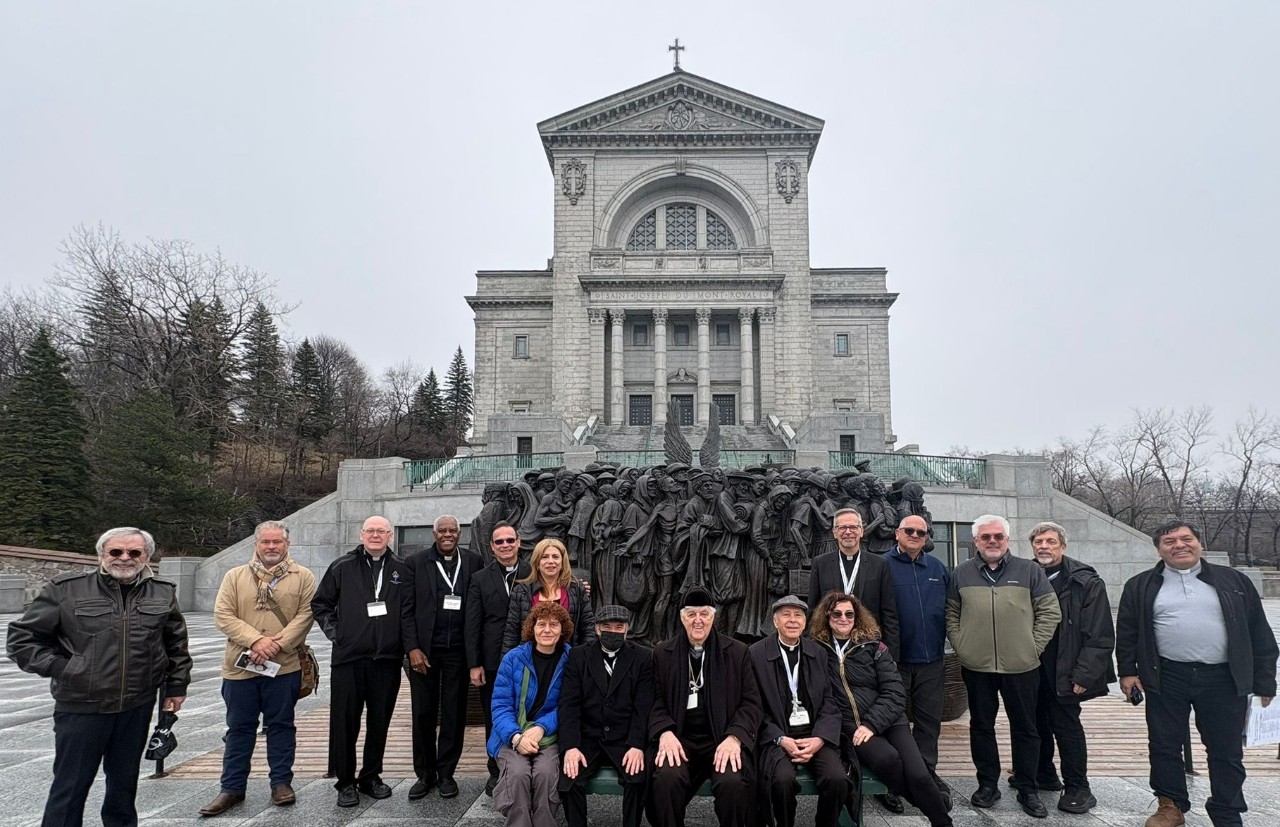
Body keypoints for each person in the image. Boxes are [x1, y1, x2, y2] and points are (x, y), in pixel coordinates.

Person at [7, 527, 192, 827]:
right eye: (115, 551)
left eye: (134, 552)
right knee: (70, 788)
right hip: (81, 704)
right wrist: (64, 669)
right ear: (101, 555)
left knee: (124, 787)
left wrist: (176, 685)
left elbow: (175, 644)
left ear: (147, 557)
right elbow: (22, 639)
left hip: (136, 705)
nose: (124, 558)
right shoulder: (66, 589)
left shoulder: (162, 591)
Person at [1117, 520, 1278, 827]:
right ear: (1158, 550)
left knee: (1226, 749)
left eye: (1186, 539)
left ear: (1199, 543)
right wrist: (1127, 672)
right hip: (1166, 675)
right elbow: (1127, 632)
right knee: (1164, 744)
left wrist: (1265, 681)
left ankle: (1226, 809)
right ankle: (1171, 805)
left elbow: (1259, 631)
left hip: (1223, 678)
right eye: (1169, 542)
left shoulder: (1233, 580)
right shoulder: (1140, 585)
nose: (1179, 545)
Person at [946, 514, 1060, 818]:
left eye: (998, 536)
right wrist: (961, 644)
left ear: (1007, 539)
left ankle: (1028, 788)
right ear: (976, 541)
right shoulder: (961, 573)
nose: (992, 541)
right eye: (986, 537)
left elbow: (1050, 611)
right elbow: (951, 613)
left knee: (1026, 728)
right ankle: (987, 785)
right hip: (977, 666)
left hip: (1021, 666)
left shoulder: (1029, 570)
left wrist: (1032, 647)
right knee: (981, 726)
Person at [200, 520, 317, 816]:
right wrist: (256, 641)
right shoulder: (235, 576)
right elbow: (223, 615)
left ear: (287, 544)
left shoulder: (303, 577)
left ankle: (281, 783)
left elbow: (306, 615)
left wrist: (276, 645)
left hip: (283, 666)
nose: (271, 546)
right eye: (266, 542)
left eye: (277, 541)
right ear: (256, 544)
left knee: (281, 726)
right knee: (239, 728)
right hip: (240, 667)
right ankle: (231, 787)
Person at [813, 591, 952, 827]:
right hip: (852, 727)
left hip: (889, 720)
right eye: (836, 614)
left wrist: (872, 724)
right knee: (888, 759)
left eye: (849, 614)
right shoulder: (817, 651)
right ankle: (932, 802)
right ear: (827, 616)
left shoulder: (873, 646)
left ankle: (942, 821)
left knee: (919, 773)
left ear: (857, 617)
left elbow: (895, 692)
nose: (843, 618)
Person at [312, 515, 407, 807]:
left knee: (379, 722)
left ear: (390, 536)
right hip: (349, 659)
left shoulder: (402, 568)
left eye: (381, 531)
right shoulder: (342, 566)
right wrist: (338, 634)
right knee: (345, 723)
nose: (375, 536)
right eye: (370, 531)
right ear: (361, 535)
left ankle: (371, 776)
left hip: (386, 660)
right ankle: (345, 782)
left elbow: (409, 609)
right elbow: (321, 604)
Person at [648, 588, 763, 827]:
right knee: (667, 778)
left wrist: (735, 737)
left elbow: (751, 703)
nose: (698, 620)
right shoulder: (663, 653)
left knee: (732, 782)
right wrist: (665, 732)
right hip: (680, 738)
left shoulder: (737, 652)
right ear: (682, 618)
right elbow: (655, 700)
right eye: (691, 614)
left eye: (704, 614)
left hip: (721, 737)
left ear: (713, 617)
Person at [1029, 521, 1115, 815]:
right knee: (1035, 723)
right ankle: (1043, 774)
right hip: (1030, 667)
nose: (1044, 547)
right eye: (1039, 542)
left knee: (1066, 726)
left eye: (1051, 542)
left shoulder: (1085, 581)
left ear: (1063, 547)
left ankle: (1078, 786)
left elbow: (1100, 634)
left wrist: (1084, 674)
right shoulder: (1025, 575)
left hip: (1066, 668)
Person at [748, 595, 850, 827]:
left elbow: (829, 700)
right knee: (781, 781)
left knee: (837, 778)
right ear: (775, 622)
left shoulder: (818, 653)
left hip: (813, 734)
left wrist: (820, 738)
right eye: (786, 615)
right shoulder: (756, 654)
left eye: (798, 615)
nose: (792, 620)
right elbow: (753, 706)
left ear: (805, 622)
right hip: (778, 736)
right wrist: (779, 738)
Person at [400, 514, 483, 800]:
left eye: (453, 530)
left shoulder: (473, 562)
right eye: (442, 530)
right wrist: (412, 648)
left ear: (460, 534)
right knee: (423, 712)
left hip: (458, 652)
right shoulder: (415, 563)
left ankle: (446, 773)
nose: (448, 534)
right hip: (425, 651)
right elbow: (406, 610)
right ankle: (425, 774)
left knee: (453, 713)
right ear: (434, 534)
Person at [558, 604, 655, 827]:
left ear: (627, 629)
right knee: (569, 780)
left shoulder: (642, 657)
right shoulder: (578, 656)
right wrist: (570, 746)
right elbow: (569, 704)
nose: (613, 631)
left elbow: (643, 707)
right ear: (597, 629)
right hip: (588, 737)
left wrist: (637, 745)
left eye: (619, 627)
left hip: (625, 738)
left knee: (637, 779)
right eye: (607, 626)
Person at [884, 514, 951, 811]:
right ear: (897, 533)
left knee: (928, 721)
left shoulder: (937, 568)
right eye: (908, 530)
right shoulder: (882, 566)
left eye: (920, 532)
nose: (914, 535)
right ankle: (892, 780)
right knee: (892, 721)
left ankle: (925, 772)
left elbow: (950, 608)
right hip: (893, 661)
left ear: (926, 537)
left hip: (932, 659)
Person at [488, 600, 574, 827]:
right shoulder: (513, 659)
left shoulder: (572, 660)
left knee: (546, 772)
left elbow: (570, 705)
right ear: (532, 627)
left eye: (554, 624)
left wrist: (542, 727)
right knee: (517, 773)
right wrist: (516, 737)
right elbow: (500, 706)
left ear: (563, 629)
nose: (547, 630)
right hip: (511, 734)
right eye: (541, 624)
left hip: (550, 734)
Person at [467, 521, 533, 795]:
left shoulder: (533, 572)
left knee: (529, 711)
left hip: (531, 657)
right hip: (493, 659)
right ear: (492, 547)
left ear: (518, 543)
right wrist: (474, 664)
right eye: (499, 542)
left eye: (509, 540)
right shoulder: (480, 578)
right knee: (495, 715)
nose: (505, 545)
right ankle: (496, 769)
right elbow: (472, 623)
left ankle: (527, 767)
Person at [807, 508, 899, 660]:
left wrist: (892, 656)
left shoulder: (879, 564)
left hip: (867, 644)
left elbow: (889, 612)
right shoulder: (820, 563)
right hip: (829, 646)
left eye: (853, 527)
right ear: (835, 532)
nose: (848, 532)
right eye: (842, 527)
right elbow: (813, 607)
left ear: (861, 531)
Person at [503, 538, 596, 653]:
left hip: (568, 657)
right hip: (530, 658)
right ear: (537, 563)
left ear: (563, 562)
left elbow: (588, 627)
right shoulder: (520, 591)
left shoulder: (577, 590)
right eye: (545, 557)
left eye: (555, 557)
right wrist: (507, 661)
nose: (550, 561)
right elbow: (511, 632)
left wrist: (585, 657)